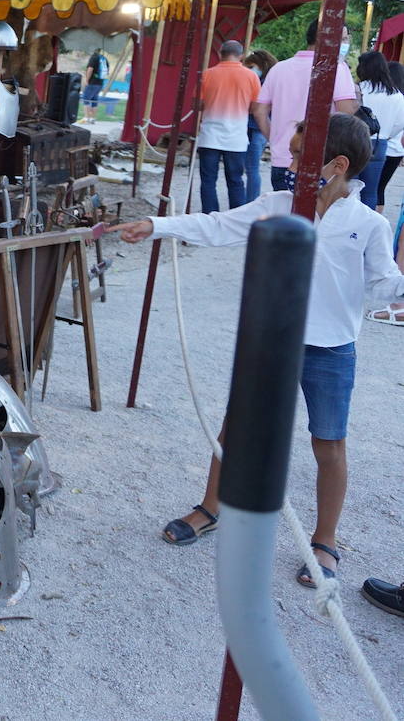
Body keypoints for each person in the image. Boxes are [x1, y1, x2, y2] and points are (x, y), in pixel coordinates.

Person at [112, 114, 404, 586]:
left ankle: (324, 540)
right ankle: (212, 507)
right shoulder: (279, 204)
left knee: (329, 443)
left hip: (331, 350)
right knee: (237, 427)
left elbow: (382, 282)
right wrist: (156, 224)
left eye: (298, 154)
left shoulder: (367, 223)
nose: (286, 160)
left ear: (337, 164)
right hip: (272, 340)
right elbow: (217, 225)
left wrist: (401, 286)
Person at [250, 19, 359, 192]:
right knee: (315, 217)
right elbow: (345, 113)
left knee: (285, 215)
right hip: (321, 163)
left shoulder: (279, 69)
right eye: (343, 39)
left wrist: (275, 138)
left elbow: (258, 110)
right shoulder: (336, 68)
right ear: (327, 39)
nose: (346, 44)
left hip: (282, 159)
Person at [195, 40, 260, 211]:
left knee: (208, 181)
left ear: (219, 53)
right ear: (241, 56)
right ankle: (235, 218)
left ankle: (210, 218)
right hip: (236, 138)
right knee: (236, 181)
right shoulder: (251, 76)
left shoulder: (207, 74)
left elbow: (199, 105)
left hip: (209, 136)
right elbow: (254, 107)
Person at [355, 51, 404, 209]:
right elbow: (400, 123)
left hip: (355, 142)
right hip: (380, 144)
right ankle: (367, 228)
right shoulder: (396, 95)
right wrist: (387, 134)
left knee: (350, 188)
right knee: (371, 192)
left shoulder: (359, 89)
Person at [242, 49, 277, 199]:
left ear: (261, 65)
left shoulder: (266, 83)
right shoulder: (266, 81)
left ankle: (250, 202)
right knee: (250, 168)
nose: (250, 71)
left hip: (257, 129)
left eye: (251, 67)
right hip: (254, 128)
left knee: (252, 168)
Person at [81, 49, 108, 122]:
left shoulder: (94, 57)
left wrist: (87, 80)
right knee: (94, 100)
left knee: (86, 98)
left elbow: (90, 69)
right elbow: (107, 71)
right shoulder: (104, 58)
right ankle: (93, 118)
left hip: (92, 82)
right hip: (100, 82)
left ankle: (86, 118)